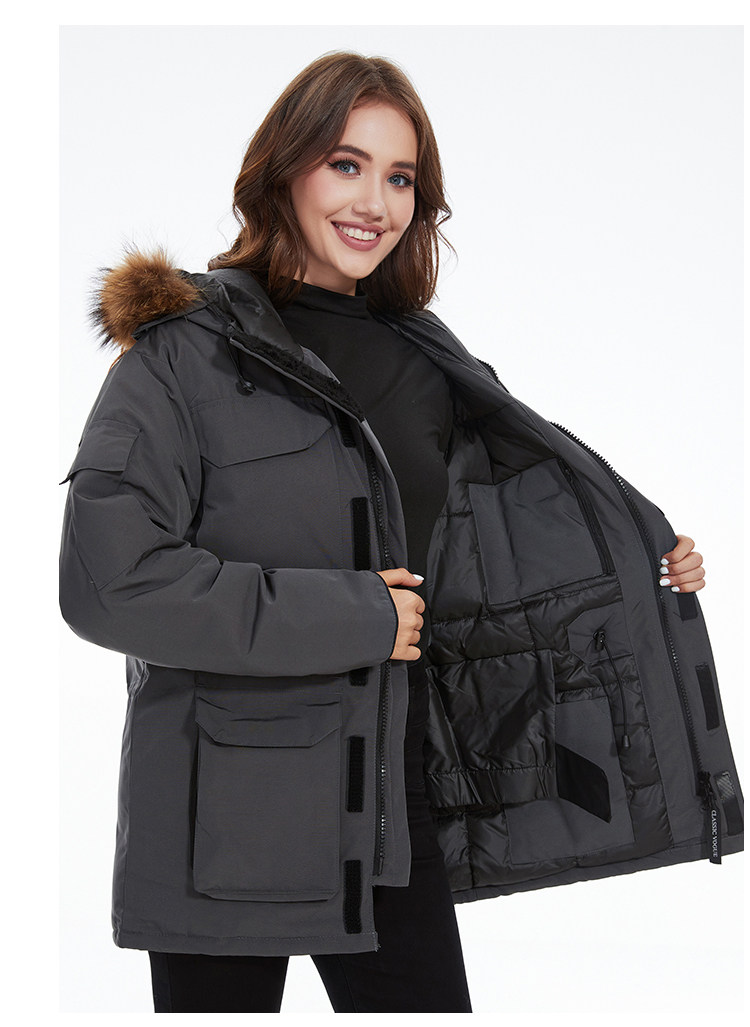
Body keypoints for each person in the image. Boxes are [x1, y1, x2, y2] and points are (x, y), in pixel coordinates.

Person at [59, 51, 709, 1013]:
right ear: (283, 169)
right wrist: (353, 617)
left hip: (388, 810)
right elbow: (109, 583)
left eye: (401, 177)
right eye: (346, 164)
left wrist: (636, 559)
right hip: (221, 821)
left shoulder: (421, 355)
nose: (376, 202)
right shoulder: (180, 351)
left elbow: (479, 551)